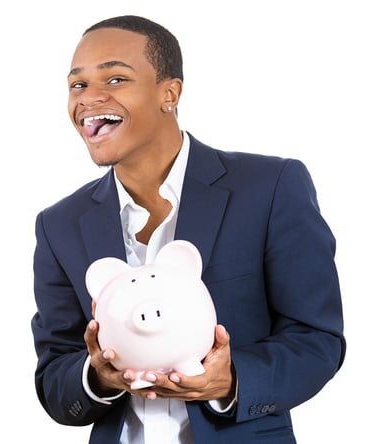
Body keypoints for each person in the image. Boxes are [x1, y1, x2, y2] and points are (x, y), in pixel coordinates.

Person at [31, 15, 346, 444]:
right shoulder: (59, 224)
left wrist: (230, 380)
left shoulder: (270, 188)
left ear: (169, 92)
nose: (89, 98)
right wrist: (97, 377)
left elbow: (317, 339)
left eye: (117, 79)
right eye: (78, 85)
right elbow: (55, 374)